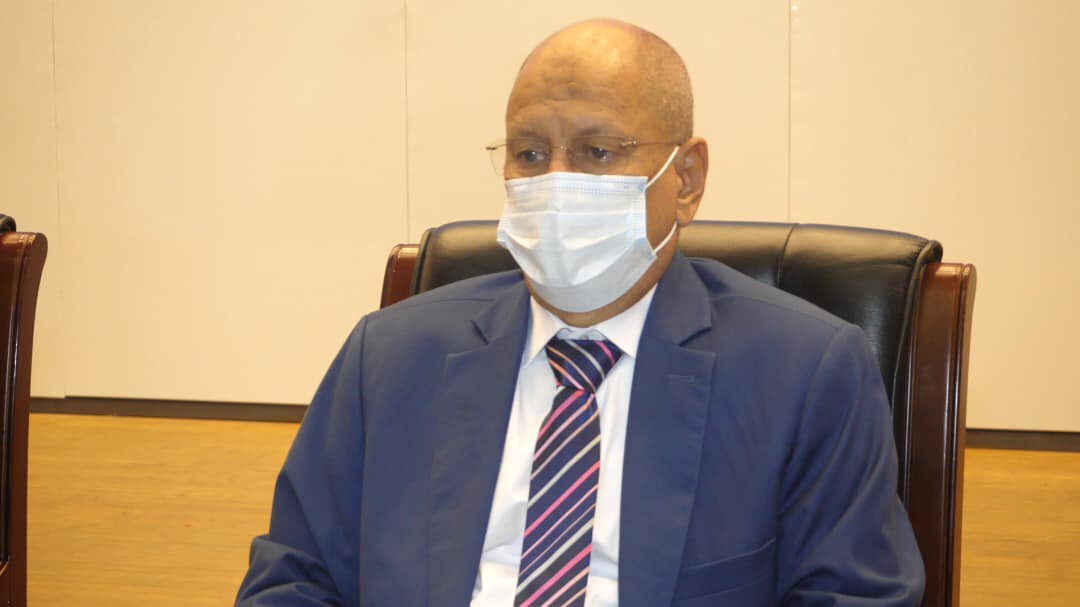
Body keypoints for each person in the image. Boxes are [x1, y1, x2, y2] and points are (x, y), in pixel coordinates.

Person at [236, 18, 924, 607]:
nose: (556, 182)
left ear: (685, 180)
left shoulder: (805, 374)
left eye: (598, 152)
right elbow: (294, 579)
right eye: (530, 153)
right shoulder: (388, 356)